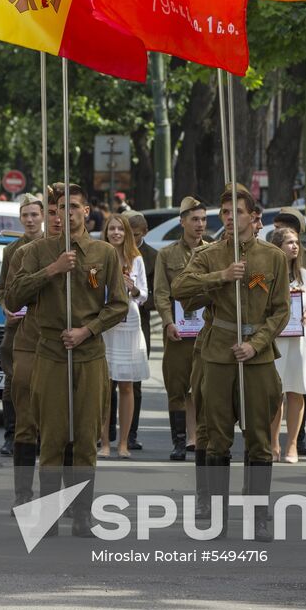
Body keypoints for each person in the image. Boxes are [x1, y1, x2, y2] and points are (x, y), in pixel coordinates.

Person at [6, 184, 127, 536]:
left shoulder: (104, 253)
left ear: (86, 211)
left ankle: (82, 514)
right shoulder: (37, 251)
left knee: (86, 437)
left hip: (89, 354)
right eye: (61, 207)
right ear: (54, 212)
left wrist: (88, 330)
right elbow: (13, 297)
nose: (67, 212)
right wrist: (52, 270)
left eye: (74, 206)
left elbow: (118, 305)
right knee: (52, 437)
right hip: (50, 353)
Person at [171, 184, 289, 542]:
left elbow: (281, 310)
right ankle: (218, 518)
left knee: (259, 439)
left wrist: (256, 345)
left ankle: (259, 518)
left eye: (236, 212)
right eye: (224, 213)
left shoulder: (273, 257)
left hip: (257, 356)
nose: (229, 218)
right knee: (217, 439)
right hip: (218, 354)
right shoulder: (210, 254)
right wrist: (220, 276)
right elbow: (180, 288)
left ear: (253, 217)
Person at [151, 197, 207, 462]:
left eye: (203, 219)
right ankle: (180, 442)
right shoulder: (167, 254)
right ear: (182, 222)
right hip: (178, 332)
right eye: (194, 219)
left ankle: (201, 439)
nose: (200, 224)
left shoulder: (214, 251)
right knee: (177, 387)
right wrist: (167, 322)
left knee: (204, 388)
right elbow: (161, 293)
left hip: (207, 332)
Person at [271, 207, 306, 457]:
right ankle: (273, 443)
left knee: (297, 391)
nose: (295, 246)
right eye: (289, 242)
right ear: (278, 247)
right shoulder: (268, 274)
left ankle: (292, 444)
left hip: (300, 341)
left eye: (296, 242)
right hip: (276, 341)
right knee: (275, 393)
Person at [0, 195, 45, 458]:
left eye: (34, 215)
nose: (30, 220)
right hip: (17, 326)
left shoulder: (52, 246)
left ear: (43, 216)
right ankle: (11, 435)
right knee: (13, 381)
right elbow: (3, 289)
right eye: (25, 215)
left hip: (42, 326)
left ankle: (39, 434)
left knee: (42, 382)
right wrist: (6, 307)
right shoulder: (11, 250)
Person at [99, 213, 147, 460]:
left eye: (120, 229)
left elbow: (144, 295)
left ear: (127, 232)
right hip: (106, 323)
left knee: (126, 385)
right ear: (106, 232)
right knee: (105, 386)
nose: (116, 233)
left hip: (129, 323)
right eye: (112, 229)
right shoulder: (99, 256)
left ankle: (124, 443)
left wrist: (133, 288)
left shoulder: (136, 259)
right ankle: (105, 442)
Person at [120, 210, 156, 453]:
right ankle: (106, 433)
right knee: (108, 381)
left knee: (134, 382)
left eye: (135, 235)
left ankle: (130, 434)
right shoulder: (108, 251)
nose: (130, 239)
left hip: (138, 322)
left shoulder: (151, 257)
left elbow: (156, 293)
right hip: (111, 323)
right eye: (126, 233)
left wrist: (136, 295)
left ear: (144, 233)